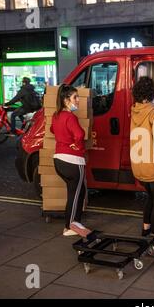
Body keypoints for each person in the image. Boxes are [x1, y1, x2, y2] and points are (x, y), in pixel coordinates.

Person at [130, 77, 154, 250]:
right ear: (151, 93)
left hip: (138, 166)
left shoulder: (135, 111)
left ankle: (146, 229)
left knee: (150, 198)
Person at [51, 84, 91, 238]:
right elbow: (80, 134)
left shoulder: (57, 115)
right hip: (73, 160)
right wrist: (77, 145)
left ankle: (75, 223)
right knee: (76, 194)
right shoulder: (70, 117)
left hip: (59, 160)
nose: (78, 100)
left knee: (77, 193)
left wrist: (66, 140)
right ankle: (70, 226)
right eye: (75, 97)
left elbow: (52, 130)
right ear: (66, 100)